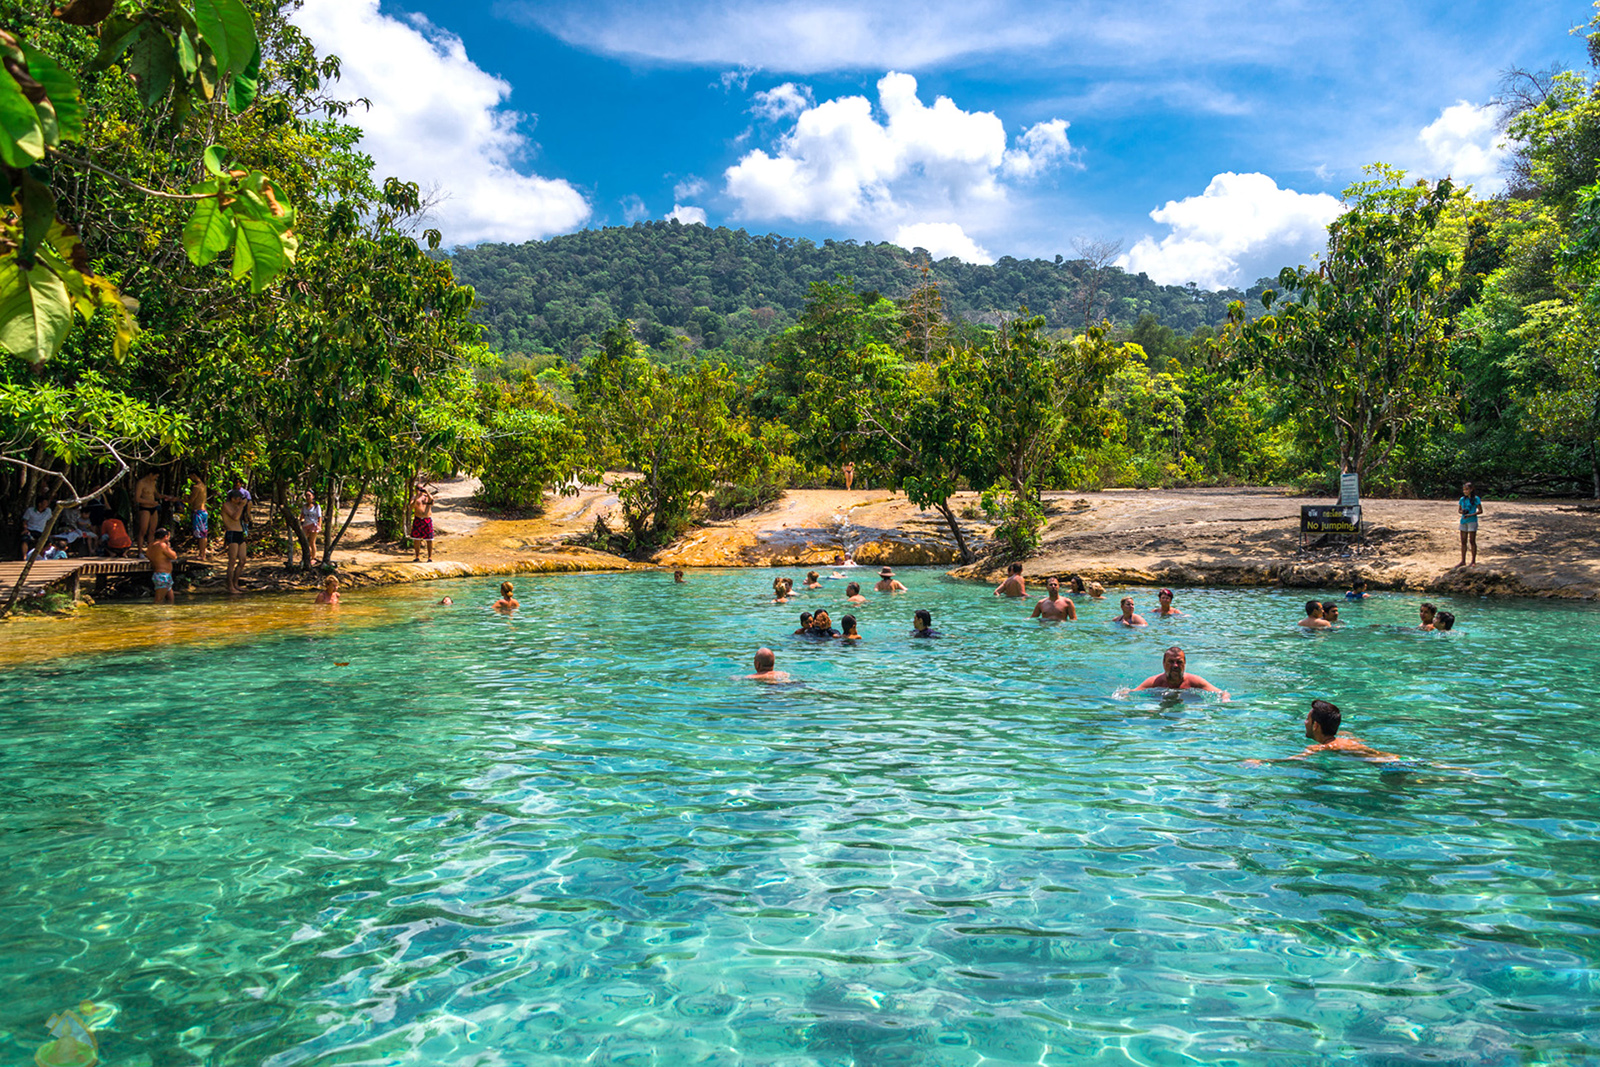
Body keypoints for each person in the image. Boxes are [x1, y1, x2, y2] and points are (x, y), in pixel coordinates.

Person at [1245, 699, 1397, 765]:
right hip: (1395, 760)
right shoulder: (1343, 739)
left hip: (1390, 765)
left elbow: (1296, 759)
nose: (1305, 723)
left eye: (1307, 719)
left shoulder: (1324, 746)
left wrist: (1261, 761)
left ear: (1315, 725)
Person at [1133, 646, 1229, 699]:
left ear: (1185, 663)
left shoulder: (1194, 681)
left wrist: (1225, 700)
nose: (1175, 666)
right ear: (1163, 663)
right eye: (1171, 662)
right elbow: (1132, 693)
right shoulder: (1154, 682)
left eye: (1179, 662)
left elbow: (1223, 693)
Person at [133, 469, 171, 554]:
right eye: (155, 476)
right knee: (143, 530)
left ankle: (150, 550)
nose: (156, 478)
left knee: (152, 530)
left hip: (154, 508)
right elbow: (137, 498)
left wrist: (163, 496)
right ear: (150, 474)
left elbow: (155, 494)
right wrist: (150, 502)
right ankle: (140, 551)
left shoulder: (153, 483)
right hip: (145, 508)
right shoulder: (141, 483)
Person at [219, 490, 248, 595]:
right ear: (232, 498)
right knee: (232, 561)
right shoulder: (226, 506)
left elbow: (244, 519)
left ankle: (236, 583)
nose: (240, 501)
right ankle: (230, 586)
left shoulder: (238, 506)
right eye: (238, 499)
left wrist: (245, 507)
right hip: (231, 533)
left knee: (242, 560)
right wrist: (241, 506)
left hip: (240, 533)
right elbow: (235, 517)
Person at [146, 526, 178, 605]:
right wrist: (168, 545)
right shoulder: (162, 545)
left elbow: (149, 556)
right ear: (165, 537)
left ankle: (169, 612)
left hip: (161, 575)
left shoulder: (151, 545)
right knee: (158, 601)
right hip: (163, 576)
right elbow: (174, 556)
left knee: (170, 600)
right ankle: (154, 612)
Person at [1457, 481, 1483, 567]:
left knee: (1472, 541)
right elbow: (1459, 510)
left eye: (1467, 489)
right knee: (1463, 541)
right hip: (1463, 521)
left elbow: (1480, 511)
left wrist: (1470, 515)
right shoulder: (1462, 499)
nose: (1465, 491)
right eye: (1464, 490)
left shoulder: (1476, 499)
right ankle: (1463, 560)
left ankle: (1473, 561)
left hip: (1472, 521)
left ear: (1471, 489)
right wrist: (1463, 512)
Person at [410, 483, 436, 562]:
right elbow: (411, 507)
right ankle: (417, 556)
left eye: (421, 488)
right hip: (418, 519)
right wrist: (416, 497)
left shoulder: (427, 497)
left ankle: (430, 557)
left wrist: (426, 492)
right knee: (416, 539)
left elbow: (432, 501)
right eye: (418, 488)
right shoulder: (414, 498)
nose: (420, 490)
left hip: (427, 519)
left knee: (429, 539)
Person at [298, 489, 323, 570]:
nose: (308, 497)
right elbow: (302, 516)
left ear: (313, 496)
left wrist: (319, 525)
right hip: (306, 525)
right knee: (304, 542)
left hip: (313, 525)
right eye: (306, 496)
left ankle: (313, 558)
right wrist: (298, 522)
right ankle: (307, 556)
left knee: (312, 542)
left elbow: (319, 517)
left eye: (309, 495)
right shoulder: (304, 506)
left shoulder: (316, 506)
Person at [188, 476, 209, 563]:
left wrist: (182, 498)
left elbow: (191, 500)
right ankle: (202, 553)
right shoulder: (203, 486)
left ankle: (202, 554)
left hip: (198, 512)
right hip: (204, 512)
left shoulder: (196, 487)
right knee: (203, 534)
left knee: (200, 535)